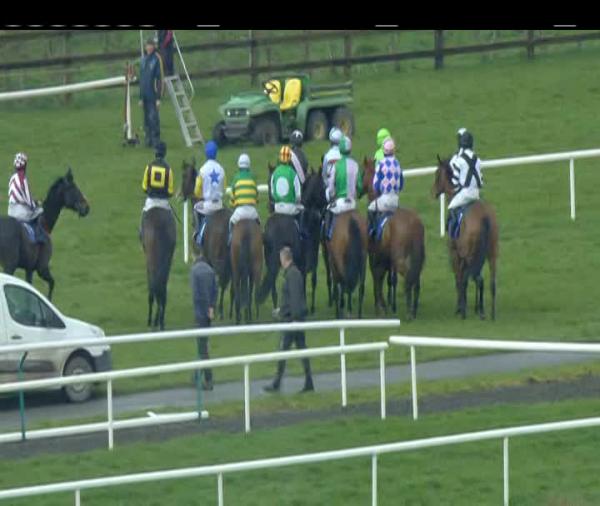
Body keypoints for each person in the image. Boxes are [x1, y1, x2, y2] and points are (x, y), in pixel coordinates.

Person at [264, 246, 314, 393]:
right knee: (301, 350)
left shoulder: (292, 275)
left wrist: (293, 319)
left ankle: (277, 383)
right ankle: (308, 382)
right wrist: (281, 310)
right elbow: (291, 299)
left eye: (280, 258)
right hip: (294, 319)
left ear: (284, 259)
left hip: (293, 321)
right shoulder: (293, 273)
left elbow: (295, 299)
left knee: (283, 351)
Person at [447, 127, 483, 238]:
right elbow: (481, 180)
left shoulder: (459, 160)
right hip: (476, 193)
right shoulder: (478, 159)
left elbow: (454, 182)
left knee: (451, 208)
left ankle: (454, 236)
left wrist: (455, 190)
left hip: (465, 194)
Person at [323, 137, 362, 239]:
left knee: (328, 213)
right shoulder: (355, 165)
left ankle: (328, 236)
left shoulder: (336, 166)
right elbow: (359, 186)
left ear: (340, 150)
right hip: (352, 203)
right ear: (350, 150)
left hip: (340, 203)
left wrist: (332, 195)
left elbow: (331, 187)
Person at [190, 250, 217, 390]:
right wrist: (211, 307)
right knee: (203, 345)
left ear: (193, 255)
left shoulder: (194, 271)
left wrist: (205, 307)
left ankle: (208, 378)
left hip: (200, 313)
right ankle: (196, 374)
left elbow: (196, 294)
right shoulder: (210, 270)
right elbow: (215, 291)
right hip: (208, 314)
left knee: (202, 348)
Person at [193, 140, 227, 246]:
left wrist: (201, 195)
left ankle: (199, 234)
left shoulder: (202, 170)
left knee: (195, 207)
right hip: (219, 205)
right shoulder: (221, 169)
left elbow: (197, 191)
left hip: (207, 205)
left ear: (206, 153)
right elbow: (224, 188)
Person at [367, 137, 403, 237]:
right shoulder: (397, 163)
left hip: (385, 199)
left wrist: (379, 190)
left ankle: (371, 231)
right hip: (396, 201)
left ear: (384, 151)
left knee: (370, 208)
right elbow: (401, 185)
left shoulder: (381, 164)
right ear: (393, 150)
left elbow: (375, 185)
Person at [8, 152, 45, 242]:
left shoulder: (12, 178)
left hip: (10, 211)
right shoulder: (23, 179)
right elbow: (29, 201)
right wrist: (36, 204)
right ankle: (38, 238)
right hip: (20, 212)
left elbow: (19, 197)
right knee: (40, 211)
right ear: (25, 166)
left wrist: (34, 201)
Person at [140, 141, 174, 237]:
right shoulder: (168, 169)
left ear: (155, 152)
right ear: (165, 153)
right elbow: (170, 191)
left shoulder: (149, 167)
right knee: (172, 221)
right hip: (164, 203)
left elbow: (144, 187)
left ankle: (141, 234)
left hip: (151, 202)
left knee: (143, 216)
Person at [139, 37, 164, 149]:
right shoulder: (143, 60)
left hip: (153, 94)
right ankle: (148, 139)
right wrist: (140, 97)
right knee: (146, 119)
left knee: (153, 118)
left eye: (150, 45)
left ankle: (155, 140)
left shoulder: (156, 59)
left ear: (153, 46)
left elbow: (159, 79)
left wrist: (158, 97)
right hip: (145, 94)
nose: (148, 47)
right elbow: (142, 79)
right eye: (147, 45)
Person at [228, 153, 259, 244]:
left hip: (239, 212)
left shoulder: (236, 178)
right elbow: (256, 196)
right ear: (249, 165)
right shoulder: (253, 177)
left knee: (230, 223)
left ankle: (230, 241)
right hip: (252, 212)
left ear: (239, 165)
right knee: (259, 224)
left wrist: (232, 203)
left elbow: (232, 197)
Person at [271, 145, 303, 224]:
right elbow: (298, 196)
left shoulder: (275, 172)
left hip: (277, 208)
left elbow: (272, 193)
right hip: (290, 208)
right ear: (289, 158)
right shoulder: (293, 173)